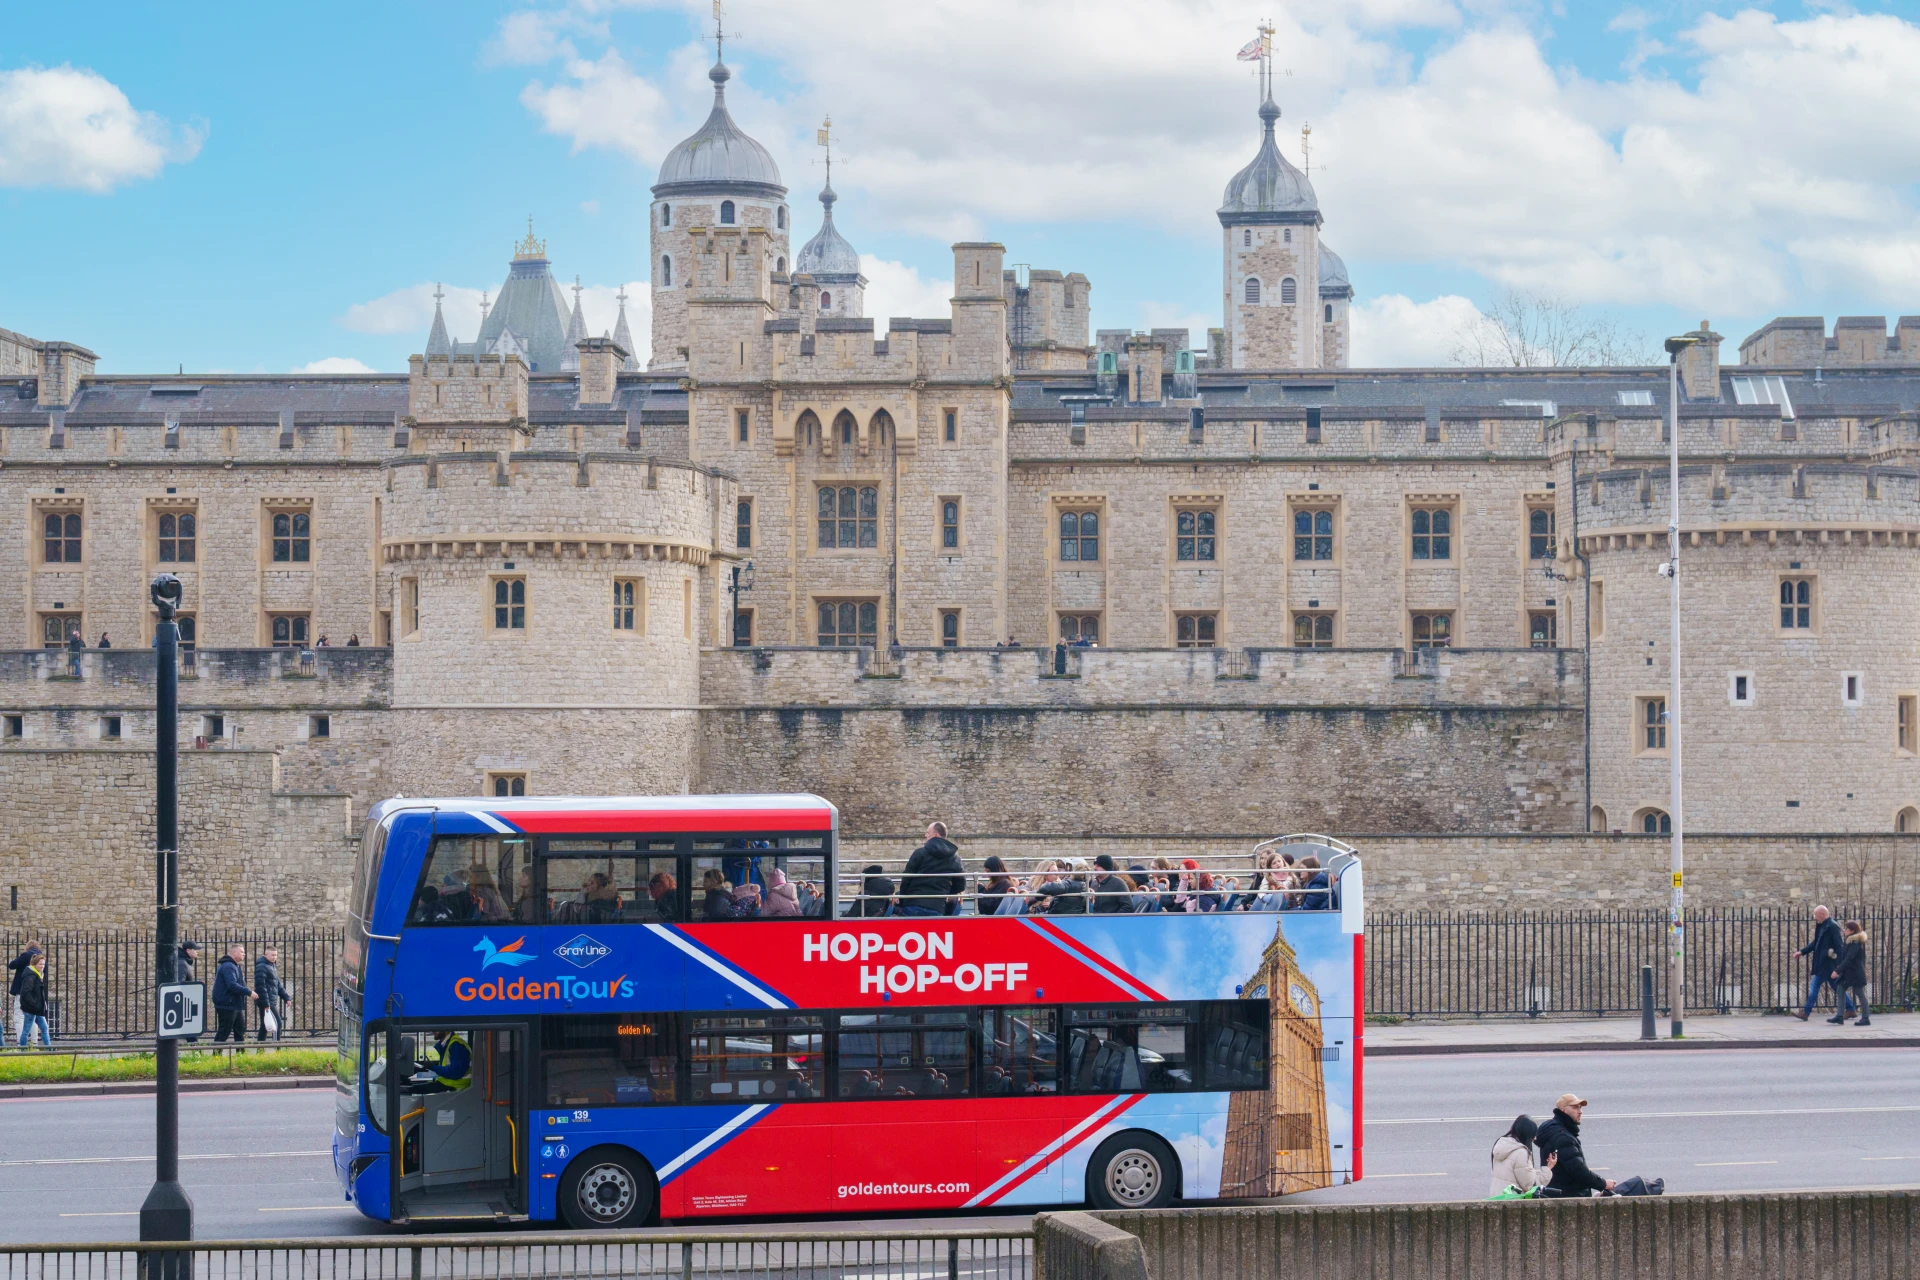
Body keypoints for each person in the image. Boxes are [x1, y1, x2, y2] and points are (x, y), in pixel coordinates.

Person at [1535, 1093, 1663, 1198]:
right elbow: (1578, 1170)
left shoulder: (1554, 1130)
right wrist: (1603, 1184)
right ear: (1563, 1110)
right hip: (1569, 1196)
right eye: (1575, 1108)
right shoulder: (1563, 1137)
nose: (1580, 1112)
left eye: (1580, 1108)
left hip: (1560, 1192)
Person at [1793, 905, 1853, 1021]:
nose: (1815, 917)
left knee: (1814, 987)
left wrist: (1839, 967)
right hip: (1823, 964)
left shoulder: (1832, 927)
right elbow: (1815, 943)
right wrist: (1801, 952)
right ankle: (1851, 1009)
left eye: (1816, 915)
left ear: (1823, 914)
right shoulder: (1823, 926)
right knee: (1837, 987)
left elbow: (1839, 947)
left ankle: (1805, 1012)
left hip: (1827, 965)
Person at [899, 822, 964, 915]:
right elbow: (960, 885)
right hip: (937, 908)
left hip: (913, 905)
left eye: (928, 833)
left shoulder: (919, 853)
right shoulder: (955, 858)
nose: (926, 835)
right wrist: (946, 893)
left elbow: (906, 879)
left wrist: (903, 902)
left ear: (936, 835)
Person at [1489, 1115, 1555, 1197]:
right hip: (1512, 1201)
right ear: (1526, 1134)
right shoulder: (1521, 1153)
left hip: (1498, 1197)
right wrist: (1548, 1169)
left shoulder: (1501, 1144)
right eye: (1533, 1135)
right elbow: (1530, 1186)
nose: (1534, 1138)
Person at [211, 942, 255, 1045]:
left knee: (240, 1030)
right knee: (224, 1031)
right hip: (227, 1005)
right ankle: (215, 1056)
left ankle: (240, 1055)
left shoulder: (234, 966)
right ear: (234, 952)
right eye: (242, 952)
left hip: (234, 1004)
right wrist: (249, 992)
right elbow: (232, 985)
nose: (244, 954)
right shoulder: (228, 966)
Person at [1830, 919, 1871, 1026]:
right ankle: (1839, 1016)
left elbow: (1849, 959)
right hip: (1848, 973)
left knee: (1860, 994)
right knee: (1840, 990)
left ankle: (1866, 1018)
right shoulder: (1849, 941)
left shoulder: (1855, 943)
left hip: (1855, 973)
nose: (1844, 930)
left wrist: (1837, 971)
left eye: (1846, 929)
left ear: (1852, 930)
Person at [411, 1030, 472, 1094]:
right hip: (449, 1083)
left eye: (437, 1027)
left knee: (413, 1090)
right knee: (416, 1088)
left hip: (457, 1087)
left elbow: (456, 1072)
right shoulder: (446, 1044)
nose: (433, 1031)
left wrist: (433, 1067)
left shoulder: (456, 1045)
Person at [7, 941, 41, 1044]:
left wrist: (20, 956)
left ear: (28, 947)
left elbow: (11, 965)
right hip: (35, 992)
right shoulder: (41, 958)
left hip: (22, 991)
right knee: (33, 1016)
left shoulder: (25, 955)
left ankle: (21, 1042)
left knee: (20, 1016)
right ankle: (34, 1042)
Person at [254, 945, 288, 1042]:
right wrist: (266, 1004)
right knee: (278, 1023)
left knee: (264, 1025)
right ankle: (277, 1047)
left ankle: (260, 1050)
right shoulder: (262, 966)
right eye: (272, 955)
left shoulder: (271, 966)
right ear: (266, 955)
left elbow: (277, 984)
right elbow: (260, 986)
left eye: (276, 955)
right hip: (266, 1001)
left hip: (269, 1000)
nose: (274, 957)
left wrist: (286, 997)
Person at [15, 952, 50, 1048]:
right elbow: (26, 993)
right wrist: (34, 1004)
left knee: (44, 1028)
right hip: (31, 1009)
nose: (42, 966)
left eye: (43, 964)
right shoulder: (31, 976)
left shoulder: (39, 974)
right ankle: (22, 1050)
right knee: (26, 1030)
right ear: (34, 964)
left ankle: (50, 1050)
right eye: (40, 964)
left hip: (37, 1008)